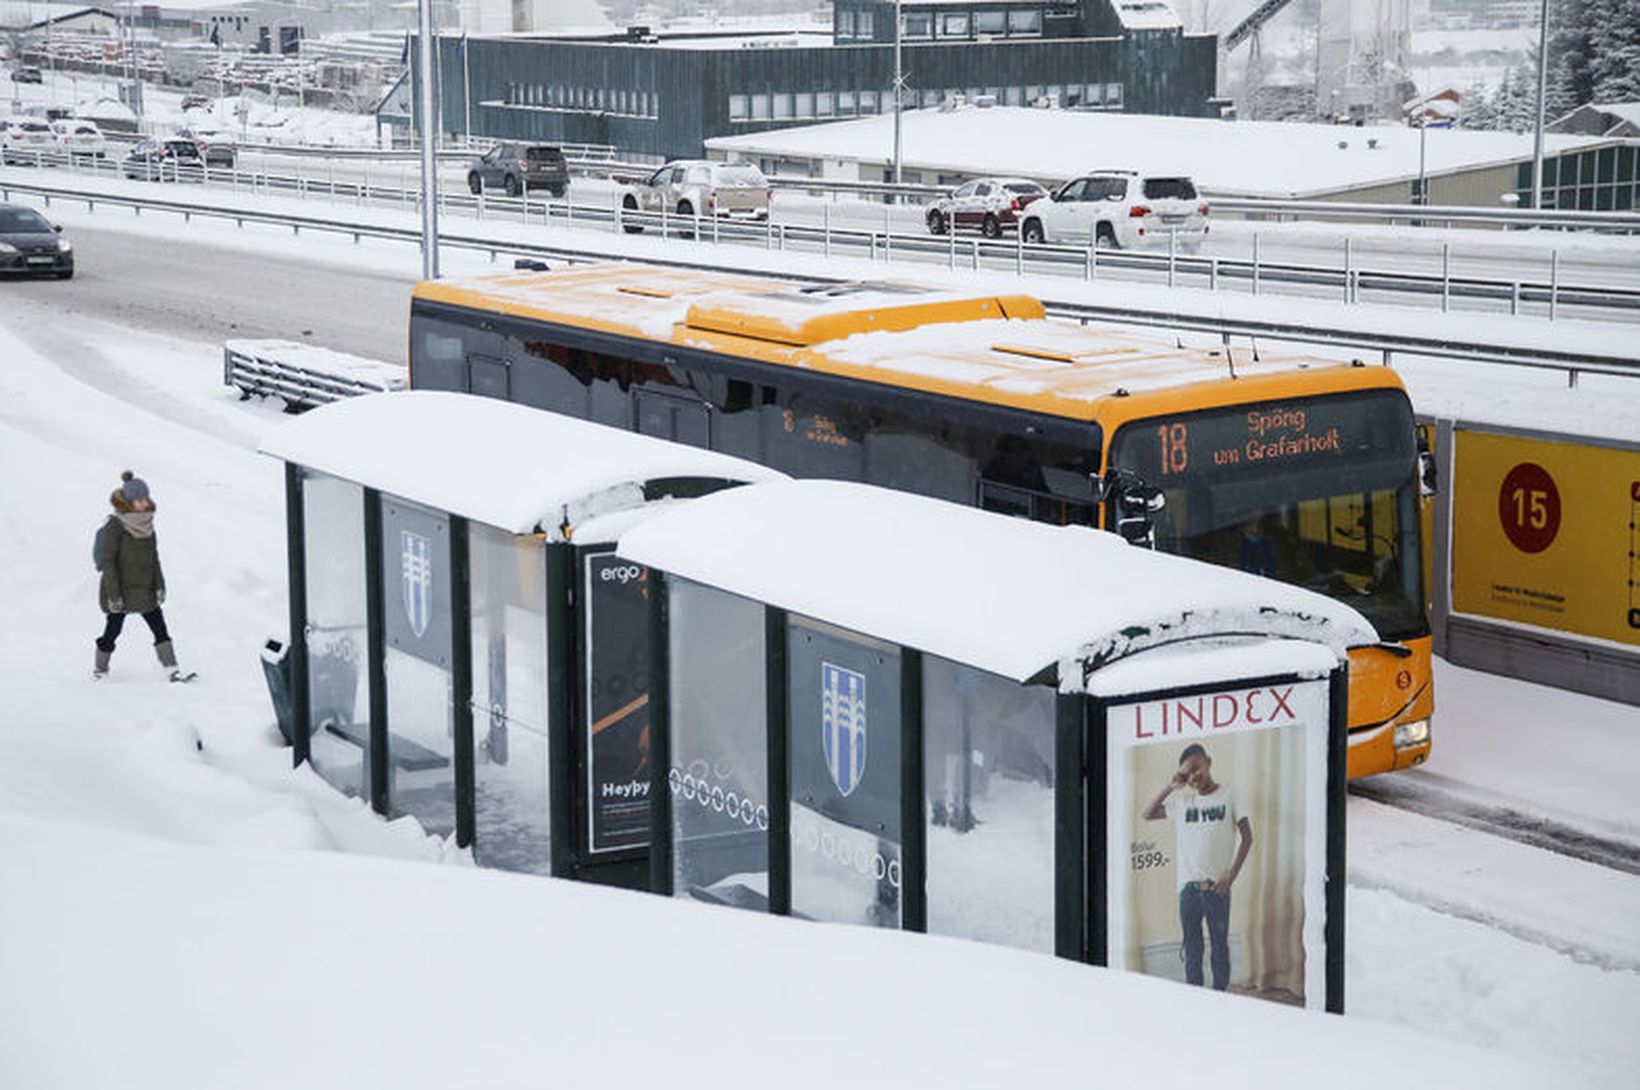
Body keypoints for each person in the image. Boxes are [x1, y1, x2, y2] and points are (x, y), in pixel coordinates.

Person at [1142, 743, 1253, 991]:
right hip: (1188, 891)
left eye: (1196, 768)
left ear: (1208, 762)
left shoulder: (1229, 795)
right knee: (1192, 949)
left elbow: (1247, 837)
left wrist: (1231, 875)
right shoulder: (1184, 804)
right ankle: (1195, 1002)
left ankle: (1220, 996)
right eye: (1186, 774)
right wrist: (1172, 786)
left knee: (1219, 946)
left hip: (1217, 888)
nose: (1193, 777)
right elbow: (1147, 814)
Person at [94, 470, 188, 682]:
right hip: (120, 590)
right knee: (113, 631)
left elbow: (154, 558)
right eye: (140, 500)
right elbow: (108, 563)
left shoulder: (147, 526)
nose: (145, 503)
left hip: (144, 589)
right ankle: (100, 668)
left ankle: (172, 669)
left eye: (146, 498)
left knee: (160, 628)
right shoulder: (114, 527)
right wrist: (114, 595)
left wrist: (160, 585)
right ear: (129, 502)